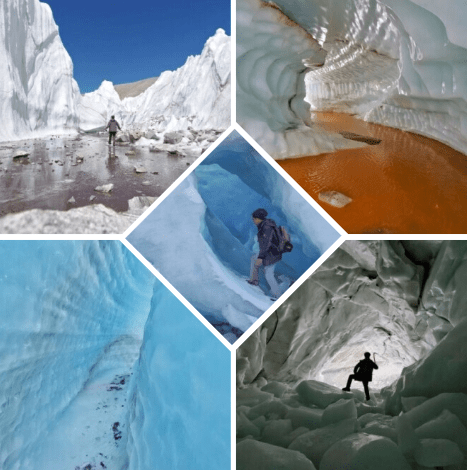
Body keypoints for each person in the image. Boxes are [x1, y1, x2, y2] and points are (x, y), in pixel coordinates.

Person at [247, 208, 282, 299]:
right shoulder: (265, 225)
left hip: (272, 254)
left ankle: (278, 296)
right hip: (270, 253)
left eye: (254, 219)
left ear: (258, 219)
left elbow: (266, 244)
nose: (253, 221)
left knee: (269, 274)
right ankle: (254, 280)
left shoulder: (266, 227)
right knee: (254, 258)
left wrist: (261, 257)